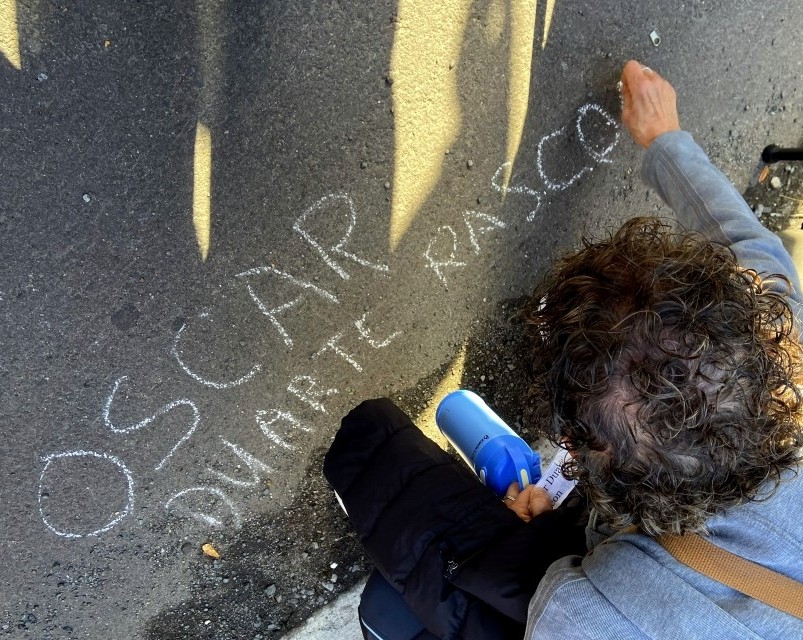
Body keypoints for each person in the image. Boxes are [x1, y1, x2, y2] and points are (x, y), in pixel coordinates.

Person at [324, 60, 803, 640]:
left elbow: (556, 606)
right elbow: (752, 253)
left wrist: (553, 542)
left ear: (582, 452)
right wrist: (665, 142)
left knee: (370, 450)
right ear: (758, 338)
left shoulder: (592, 614)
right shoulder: (780, 347)